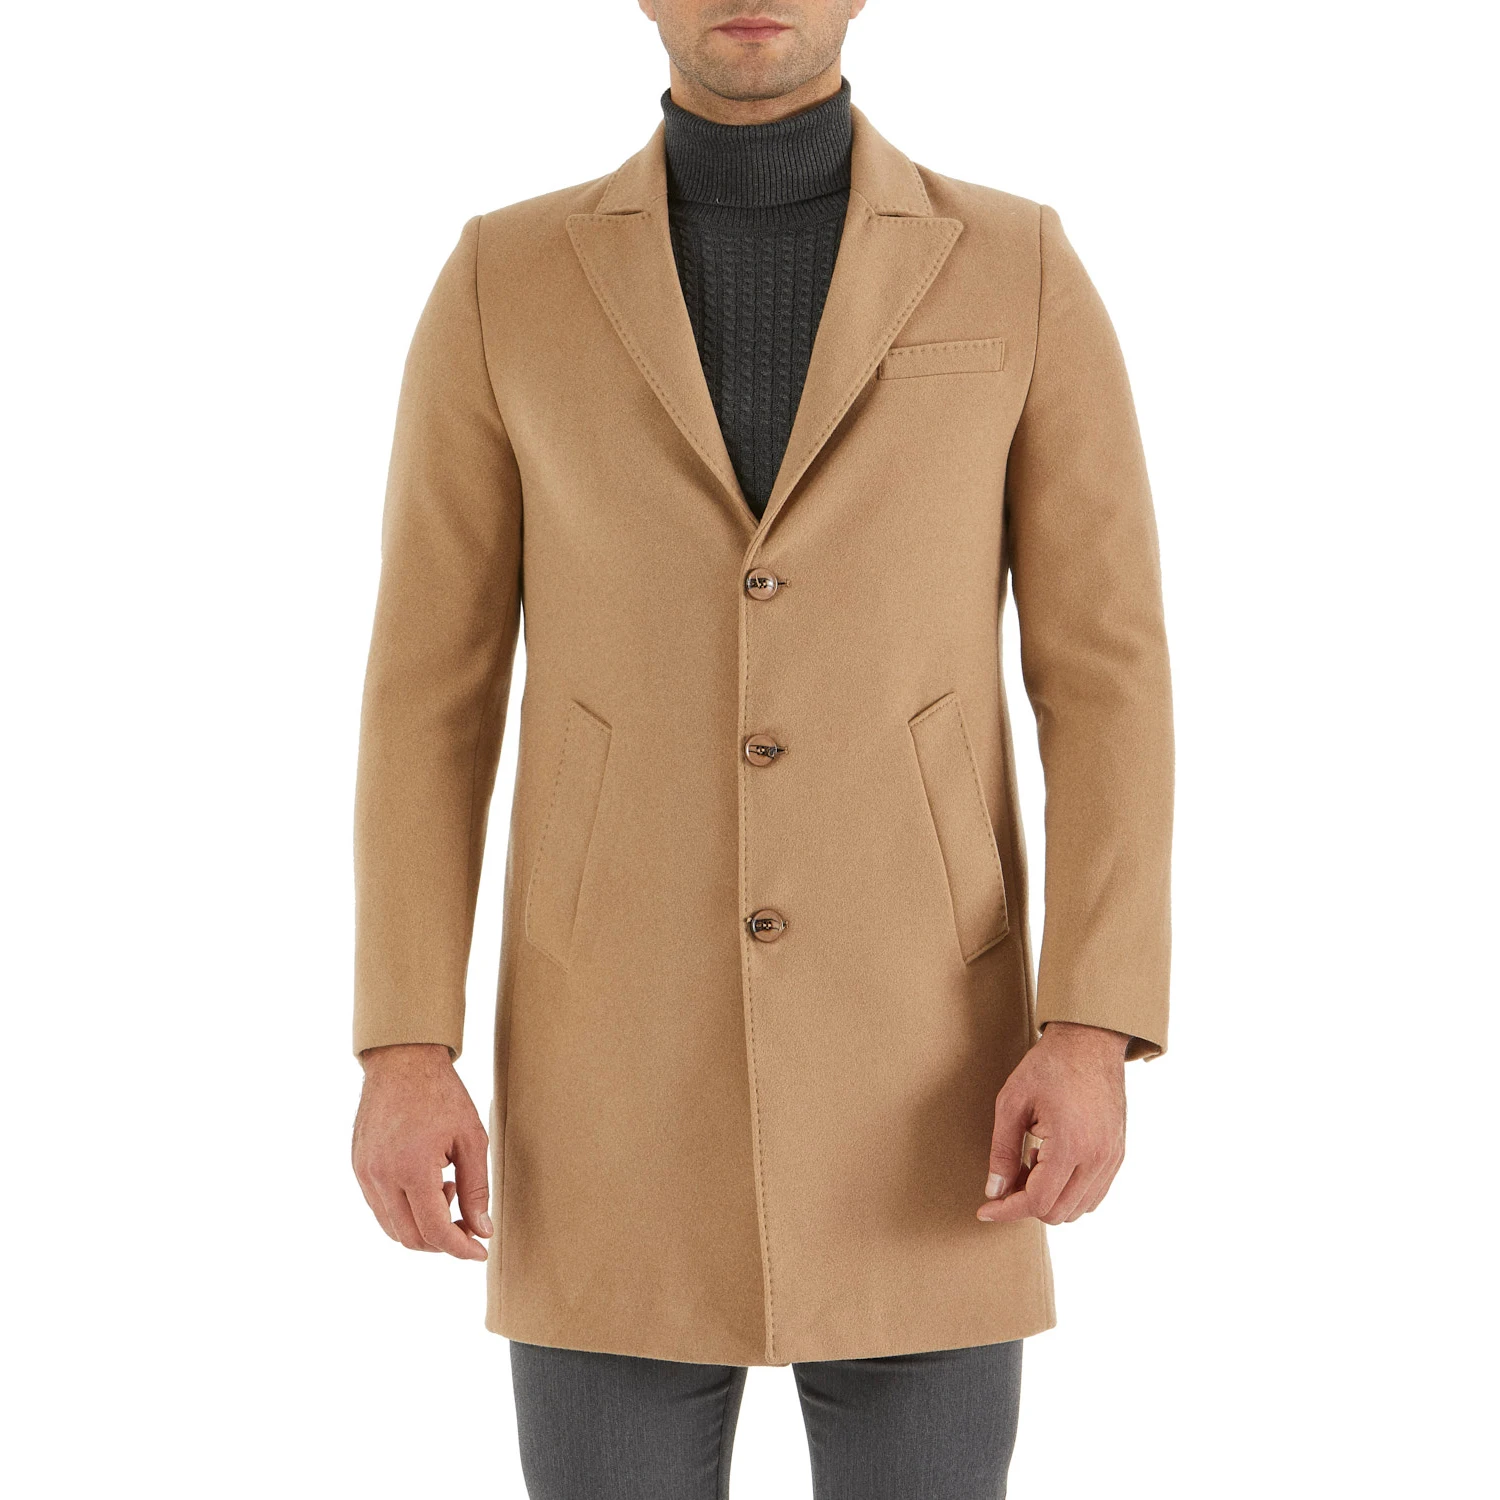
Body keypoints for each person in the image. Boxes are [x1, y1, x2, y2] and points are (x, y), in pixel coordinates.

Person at [350, 2, 1174, 1495]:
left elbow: (1105, 678)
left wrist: (1094, 1024)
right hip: (608, 1083)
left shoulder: (1020, 265)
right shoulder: (503, 278)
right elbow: (429, 696)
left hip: (941, 1083)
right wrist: (406, 1045)